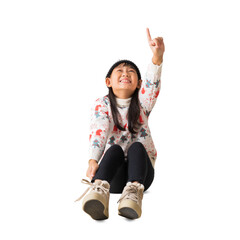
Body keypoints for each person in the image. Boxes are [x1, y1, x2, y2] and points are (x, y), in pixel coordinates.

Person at [75, 28, 165, 220]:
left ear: (139, 84)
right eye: (120, 71)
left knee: (137, 147)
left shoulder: (142, 104)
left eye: (131, 71)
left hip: (141, 176)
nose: (125, 73)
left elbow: (152, 84)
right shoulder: (103, 104)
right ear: (108, 81)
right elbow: (99, 130)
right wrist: (93, 160)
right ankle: (98, 193)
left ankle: (132, 198)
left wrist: (157, 56)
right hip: (113, 176)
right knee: (114, 149)